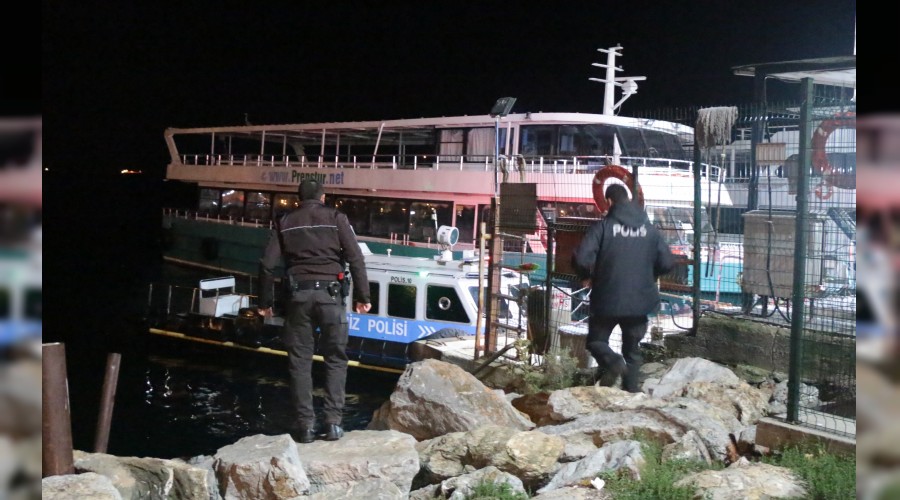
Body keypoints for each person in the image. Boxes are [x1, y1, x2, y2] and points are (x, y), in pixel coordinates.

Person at [258, 179, 371, 443]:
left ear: (299, 199)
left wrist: (265, 302)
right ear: (322, 197)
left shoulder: (285, 221)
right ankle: (333, 425)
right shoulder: (336, 218)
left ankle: (306, 428)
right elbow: (356, 258)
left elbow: (266, 264)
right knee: (335, 360)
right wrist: (363, 297)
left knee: (300, 362)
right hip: (331, 298)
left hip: (298, 297)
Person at [572, 183, 675, 392]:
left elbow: (582, 258)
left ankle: (613, 362)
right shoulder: (649, 229)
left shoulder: (603, 227)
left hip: (607, 299)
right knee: (633, 352)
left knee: (596, 342)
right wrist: (648, 276)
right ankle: (632, 395)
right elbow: (667, 263)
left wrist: (586, 276)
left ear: (609, 202)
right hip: (640, 301)